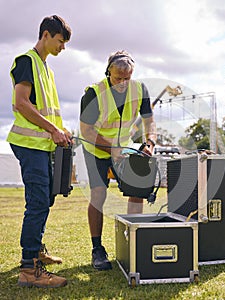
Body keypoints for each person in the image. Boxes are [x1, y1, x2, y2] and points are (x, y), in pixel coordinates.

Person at [6, 15, 72, 288]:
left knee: (45, 199)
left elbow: (47, 111)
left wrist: (61, 130)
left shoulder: (47, 69)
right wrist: (52, 130)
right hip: (28, 144)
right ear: (46, 35)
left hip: (42, 145)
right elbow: (22, 104)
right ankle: (29, 270)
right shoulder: (26, 62)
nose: (63, 48)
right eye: (60, 41)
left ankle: (36, 252)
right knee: (37, 203)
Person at [80, 50, 157, 271]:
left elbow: (149, 121)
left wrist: (149, 142)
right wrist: (111, 148)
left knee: (138, 188)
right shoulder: (94, 93)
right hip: (95, 148)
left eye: (127, 78)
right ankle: (98, 250)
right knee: (98, 193)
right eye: (117, 78)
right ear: (108, 73)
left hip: (123, 148)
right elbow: (86, 130)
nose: (122, 83)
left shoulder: (140, 89)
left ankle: (134, 241)